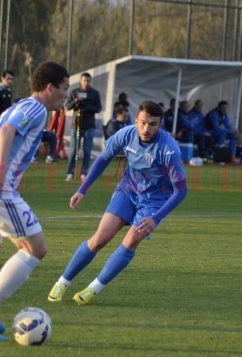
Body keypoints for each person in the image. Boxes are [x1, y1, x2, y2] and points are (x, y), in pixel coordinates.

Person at [0, 61, 69, 342]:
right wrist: (3, 167)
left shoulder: (21, 106)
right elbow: (6, 132)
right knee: (36, 248)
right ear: (49, 87)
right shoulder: (35, 108)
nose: (66, 96)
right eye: (65, 89)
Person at [48, 100, 188, 306]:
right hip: (128, 191)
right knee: (99, 239)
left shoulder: (169, 150)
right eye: (142, 122)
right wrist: (82, 190)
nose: (146, 128)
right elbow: (103, 159)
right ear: (136, 120)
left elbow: (181, 190)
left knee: (131, 240)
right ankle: (62, 282)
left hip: (154, 202)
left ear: (161, 125)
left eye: (152, 124)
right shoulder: (126, 134)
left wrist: (156, 218)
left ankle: (93, 289)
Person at [65, 72, 102, 182]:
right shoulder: (74, 92)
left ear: (90, 81)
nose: (86, 82)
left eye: (88, 81)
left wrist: (87, 107)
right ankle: (70, 173)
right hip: (76, 125)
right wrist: (75, 102)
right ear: (81, 81)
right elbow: (67, 107)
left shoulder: (95, 93)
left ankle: (84, 172)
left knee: (87, 150)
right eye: (84, 80)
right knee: (73, 151)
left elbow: (98, 108)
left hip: (89, 125)